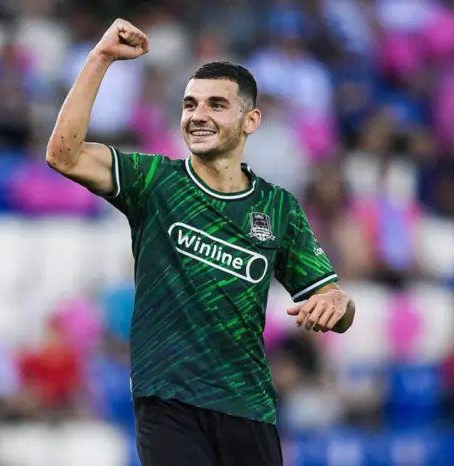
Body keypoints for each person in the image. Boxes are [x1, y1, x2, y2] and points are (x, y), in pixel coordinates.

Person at [46, 18, 357, 466]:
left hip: (248, 405)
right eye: (189, 104)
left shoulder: (277, 207)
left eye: (216, 104)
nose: (198, 115)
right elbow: (63, 155)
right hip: (168, 400)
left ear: (250, 120)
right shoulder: (156, 182)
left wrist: (338, 303)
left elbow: (333, 302)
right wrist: (101, 58)